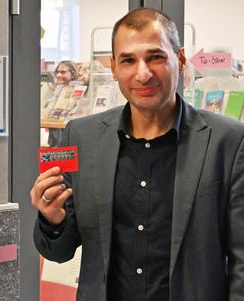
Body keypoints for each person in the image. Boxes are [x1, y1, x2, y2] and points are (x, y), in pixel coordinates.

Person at [31, 7, 244, 301]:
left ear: (180, 60)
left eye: (155, 57)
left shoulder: (228, 142)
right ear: (114, 67)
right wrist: (52, 221)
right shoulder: (81, 136)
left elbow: (241, 261)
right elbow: (58, 251)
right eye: (128, 60)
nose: (142, 74)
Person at [47, 61, 78, 146]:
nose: (58, 75)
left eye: (63, 72)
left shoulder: (78, 91)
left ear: (73, 73)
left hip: (69, 138)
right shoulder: (54, 91)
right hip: (54, 138)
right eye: (57, 72)